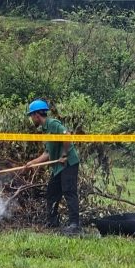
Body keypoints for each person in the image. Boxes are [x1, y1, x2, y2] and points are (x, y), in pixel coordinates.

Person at [24, 99, 81, 235]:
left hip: (69, 163)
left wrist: (64, 154)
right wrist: (33, 162)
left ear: (37, 115)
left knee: (69, 191)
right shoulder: (46, 129)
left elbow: (67, 136)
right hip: (58, 167)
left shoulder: (53, 124)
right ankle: (53, 222)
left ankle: (74, 224)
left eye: (31, 115)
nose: (31, 119)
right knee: (52, 192)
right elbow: (48, 153)